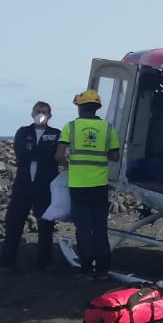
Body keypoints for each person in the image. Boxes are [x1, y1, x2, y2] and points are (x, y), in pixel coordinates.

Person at [56, 89, 121, 279]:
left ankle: (86, 269)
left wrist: (68, 166)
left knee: (83, 226)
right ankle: (102, 270)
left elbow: (59, 155)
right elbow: (115, 156)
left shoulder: (71, 127)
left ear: (80, 109)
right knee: (100, 226)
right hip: (99, 185)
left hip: (78, 185)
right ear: (97, 108)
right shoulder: (108, 128)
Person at [0, 101, 61, 271]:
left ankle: (44, 263)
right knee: (14, 222)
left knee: (46, 224)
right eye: (38, 111)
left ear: (50, 115)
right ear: (32, 113)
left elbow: (54, 156)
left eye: (44, 111)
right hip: (23, 184)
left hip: (45, 185)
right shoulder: (23, 132)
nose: (41, 114)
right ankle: (7, 263)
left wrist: (36, 153)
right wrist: (41, 153)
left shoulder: (56, 133)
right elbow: (22, 154)